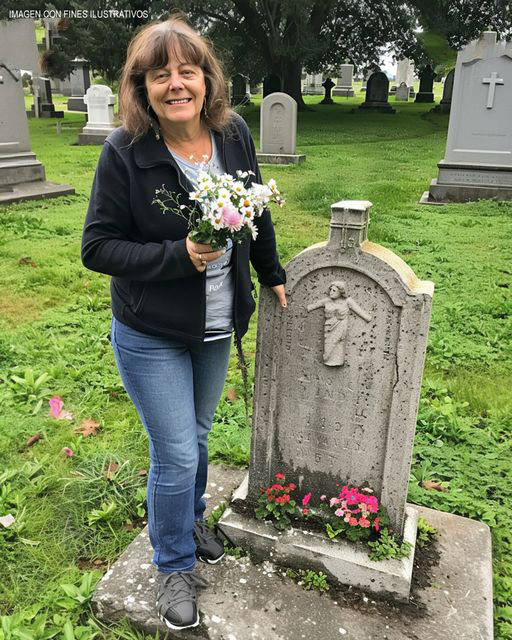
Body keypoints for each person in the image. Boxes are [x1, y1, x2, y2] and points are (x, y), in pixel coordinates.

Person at [81, 15, 286, 631]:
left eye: (187, 71)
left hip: (216, 324)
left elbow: (256, 210)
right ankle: (172, 565)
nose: (176, 84)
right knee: (173, 451)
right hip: (150, 330)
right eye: (159, 74)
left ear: (206, 79)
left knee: (196, 436)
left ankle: (189, 519)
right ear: (141, 88)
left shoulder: (233, 134)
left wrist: (271, 272)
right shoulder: (125, 152)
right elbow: (97, 247)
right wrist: (180, 256)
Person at [307, 281, 371, 366]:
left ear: (341, 291)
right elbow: (312, 306)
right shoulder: (327, 301)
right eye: (330, 290)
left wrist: (367, 318)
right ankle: (328, 360)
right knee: (328, 350)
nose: (331, 292)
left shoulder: (348, 301)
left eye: (334, 290)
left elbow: (360, 312)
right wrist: (308, 308)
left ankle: (338, 362)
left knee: (339, 346)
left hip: (340, 328)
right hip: (329, 328)